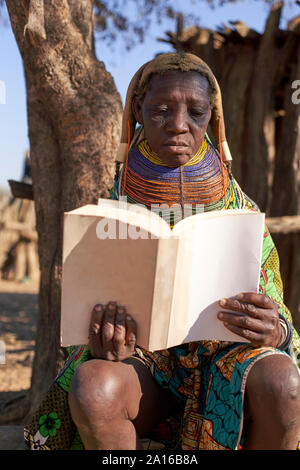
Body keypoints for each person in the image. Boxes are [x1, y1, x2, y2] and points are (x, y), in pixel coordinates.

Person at [24, 52, 300, 451]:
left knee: (283, 382)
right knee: (94, 387)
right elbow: (82, 315)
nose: (178, 125)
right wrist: (103, 343)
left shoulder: (242, 212)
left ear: (213, 117)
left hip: (228, 362)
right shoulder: (109, 214)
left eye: (196, 112)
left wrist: (275, 329)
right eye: (161, 111)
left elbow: (274, 304)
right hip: (145, 368)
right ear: (138, 110)